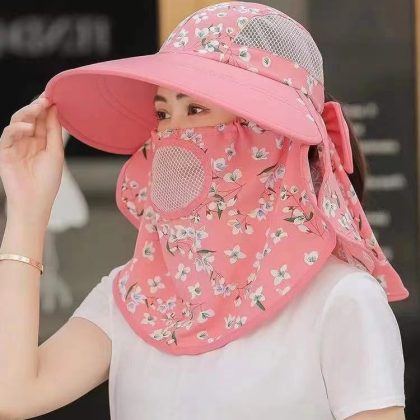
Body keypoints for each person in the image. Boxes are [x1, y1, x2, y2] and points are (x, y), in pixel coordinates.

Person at [0, 2, 409, 419]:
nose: (171, 134)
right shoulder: (138, 297)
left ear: (266, 133)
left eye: (195, 110)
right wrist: (27, 208)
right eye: (163, 113)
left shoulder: (342, 300)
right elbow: (12, 395)